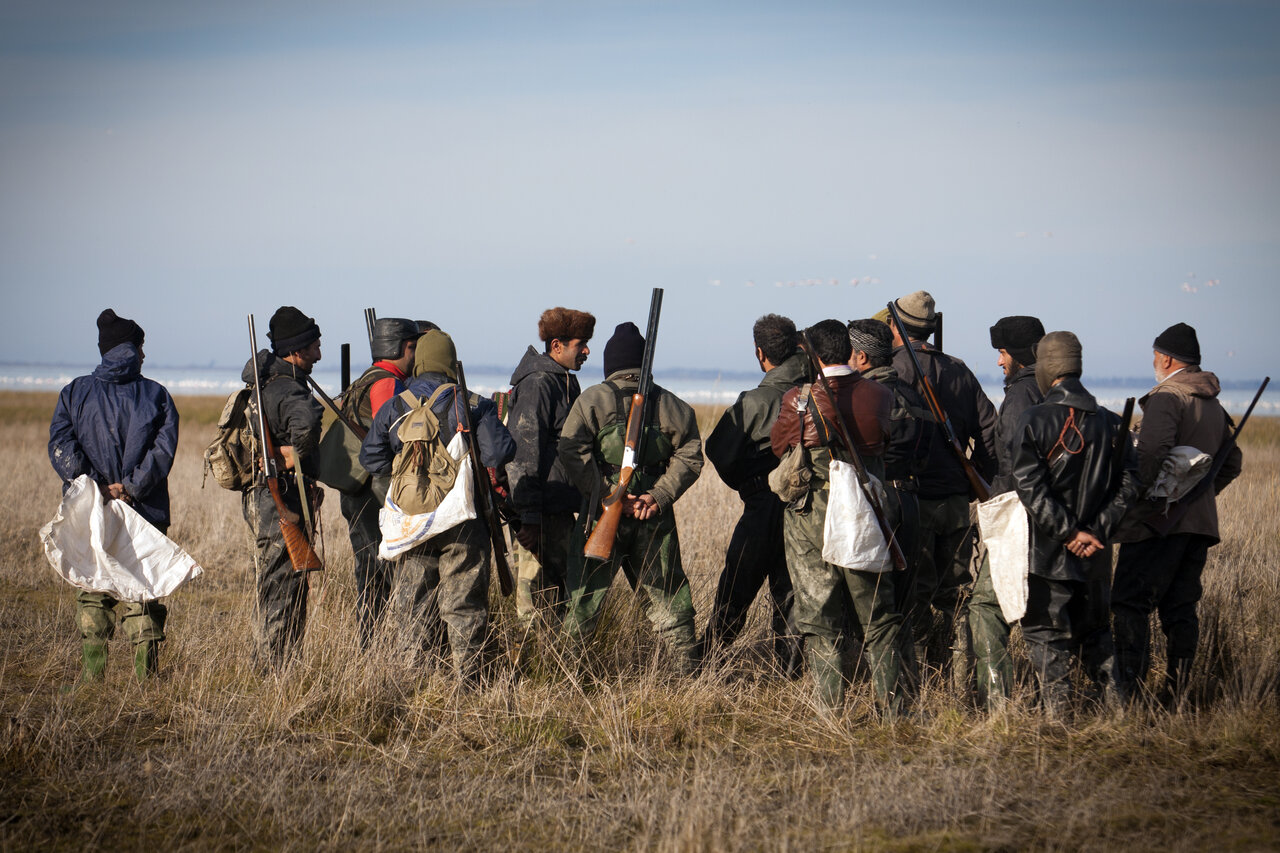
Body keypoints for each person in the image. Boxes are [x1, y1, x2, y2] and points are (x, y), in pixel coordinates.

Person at [360, 330, 516, 685]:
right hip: (462, 519)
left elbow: (370, 457)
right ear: (451, 361)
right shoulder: (472, 403)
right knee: (463, 606)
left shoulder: (395, 406)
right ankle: (468, 684)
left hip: (412, 522)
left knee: (413, 606)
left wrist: (407, 472)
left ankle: (414, 683)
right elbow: (499, 453)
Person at [771, 320, 904, 716]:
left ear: (812, 355)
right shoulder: (879, 395)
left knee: (819, 618)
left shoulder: (798, 399)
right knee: (879, 617)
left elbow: (780, 444)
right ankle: (893, 711)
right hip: (866, 512)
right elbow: (890, 442)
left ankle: (830, 711)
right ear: (849, 351)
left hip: (810, 516)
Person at [558, 321, 703, 673]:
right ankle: (690, 676)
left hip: (600, 512)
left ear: (611, 364)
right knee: (669, 599)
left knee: (583, 601)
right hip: (652, 516)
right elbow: (691, 454)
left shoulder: (592, 398)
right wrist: (658, 496)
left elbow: (569, 448)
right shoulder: (670, 402)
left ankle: (565, 677)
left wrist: (605, 495)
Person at [1111, 323, 1243, 706]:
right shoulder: (1212, 403)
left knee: (1129, 603)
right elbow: (1231, 463)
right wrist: (1198, 496)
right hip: (1199, 525)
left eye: (1155, 356)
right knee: (1180, 607)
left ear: (1166, 358)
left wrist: (1132, 499)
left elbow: (1150, 455)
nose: (1153, 362)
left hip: (1156, 522)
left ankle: (1128, 696)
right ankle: (1179, 694)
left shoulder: (1168, 397)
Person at [1010, 331, 1140, 717]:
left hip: (1049, 554)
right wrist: (1097, 530)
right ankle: (1118, 716)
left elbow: (1029, 487)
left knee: (1047, 637)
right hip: (1096, 556)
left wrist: (1069, 532)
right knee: (1097, 634)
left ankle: (1059, 721)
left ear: (1047, 369)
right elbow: (1129, 484)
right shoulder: (1112, 424)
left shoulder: (1033, 420)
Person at [49, 309, 179, 683]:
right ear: (130, 348)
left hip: (90, 510)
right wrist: (131, 488)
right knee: (144, 587)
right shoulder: (158, 395)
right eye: (141, 346)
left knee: (93, 588)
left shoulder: (74, 393)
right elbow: (163, 451)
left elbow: (60, 444)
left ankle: (93, 681)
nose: (144, 355)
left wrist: (95, 488)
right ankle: (146, 680)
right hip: (145, 510)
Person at [887, 291, 997, 681]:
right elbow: (990, 432)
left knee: (913, 592)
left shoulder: (891, 369)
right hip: (954, 500)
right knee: (955, 592)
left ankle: (916, 678)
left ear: (896, 328)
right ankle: (956, 677)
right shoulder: (960, 370)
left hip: (911, 499)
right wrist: (972, 477)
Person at [701, 314, 806, 677]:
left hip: (763, 506)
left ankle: (707, 662)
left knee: (735, 589)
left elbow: (719, 451)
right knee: (790, 592)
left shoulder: (757, 400)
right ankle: (791, 672)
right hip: (806, 508)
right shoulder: (817, 393)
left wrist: (748, 484)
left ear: (760, 354)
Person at [966, 315, 1044, 709]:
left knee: (984, 607)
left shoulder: (1019, 397)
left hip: (1018, 518)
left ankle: (997, 703)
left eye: (1003, 352)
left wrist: (994, 504)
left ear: (1018, 355)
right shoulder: (1051, 391)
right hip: (1048, 522)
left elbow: (1014, 465)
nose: (999, 362)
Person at [242, 306, 324, 670]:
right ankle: (274, 667)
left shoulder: (266, 385)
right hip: (281, 496)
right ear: (296, 350)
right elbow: (306, 425)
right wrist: (295, 458)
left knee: (276, 581)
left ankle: (276, 662)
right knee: (281, 585)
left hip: (263, 497)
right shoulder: (289, 389)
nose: (319, 353)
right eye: (313, 346)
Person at [848, 318, 930, 681]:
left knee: (871, 603)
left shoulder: (863, 398)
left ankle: (877, 685)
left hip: (879, 503)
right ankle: (909, 683)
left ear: (862, 357)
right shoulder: (915, 394)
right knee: (903, 604)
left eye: (850, 353)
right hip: (912, 500)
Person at [504, 307, 595, 629]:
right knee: (531, 603)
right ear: (557, 345)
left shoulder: (564, 383)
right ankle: (527, 670)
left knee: (560, 596)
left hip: (556, 510)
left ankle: (553, 669)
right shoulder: (539, 384)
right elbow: (523, 454)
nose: (586, 350)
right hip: (539, 514)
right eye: (580, 343)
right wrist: (528, 518)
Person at [339, 316, 419, 647]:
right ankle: (375, 646)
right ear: (403, 347)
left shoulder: (368, 378)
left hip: (359, 490)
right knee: (380, 571)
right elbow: (391, 437)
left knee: (371, 570)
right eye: (413, 347)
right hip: (372, 492)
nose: (416, 355)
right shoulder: (386, 383)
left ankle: (372, 645)